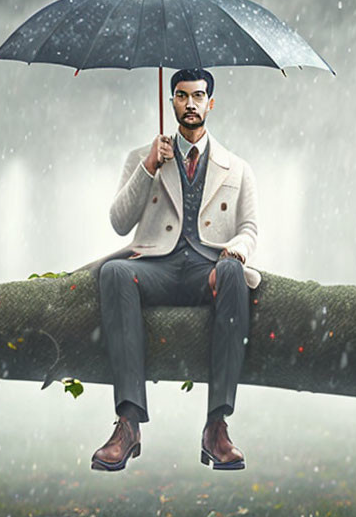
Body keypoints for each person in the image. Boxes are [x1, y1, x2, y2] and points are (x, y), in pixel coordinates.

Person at [92, 68, 260, 472]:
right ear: (171, 103)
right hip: (159, 267)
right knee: (114, 273)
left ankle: (216, 427)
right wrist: (150, 165)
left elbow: (249, 229)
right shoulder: (143, 158)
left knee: (236, 274)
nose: (190, 104)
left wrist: (233, 254)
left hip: (209, 269)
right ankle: (127, 424)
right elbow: (118, 221)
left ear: (210, 103)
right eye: (181, 96)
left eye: (198, 96)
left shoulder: (236, 167)